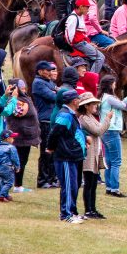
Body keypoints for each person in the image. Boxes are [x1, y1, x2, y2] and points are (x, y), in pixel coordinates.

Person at [99, 76, 127, 198]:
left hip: (105, 131)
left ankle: (109, 187)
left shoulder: (104, 97)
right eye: (114, 84)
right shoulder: (110, 98)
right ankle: (115, 189)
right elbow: (126, 107)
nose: (115, 85)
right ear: (111, 85)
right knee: (116, 161)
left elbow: (120, 104)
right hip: (112, 131)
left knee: (109, 161)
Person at [47, 88, 83, 222]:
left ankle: (72, 212)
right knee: (68, 186)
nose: (80, 101)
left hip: (72, 155)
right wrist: (50, 147)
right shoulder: (65, 115)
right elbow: (54, 133)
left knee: (73, 185)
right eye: (78, 99)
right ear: (74, 101)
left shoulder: (71, 114)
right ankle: (66, 214)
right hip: (65, 156)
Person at [76, 91, 111, 219]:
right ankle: (88, 210)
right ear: (86, 106)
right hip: (89, 154)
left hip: (95, 153)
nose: (96, 106)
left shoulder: (90, 117)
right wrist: (107, 119)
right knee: (89, 183)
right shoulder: (84, 118)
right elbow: (98, 130)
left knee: (93, 184)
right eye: (93, 104)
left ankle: (93, 209)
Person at [6, 79, 39, 193]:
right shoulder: (14, 100)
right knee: (18, 160)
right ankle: (17, 185)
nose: (24, 89)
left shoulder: (24, 98)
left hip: (26, 136)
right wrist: (24, 104)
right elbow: (18, 112)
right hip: (19, 137)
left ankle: (18, 184)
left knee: (22, 161)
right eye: (22, 87)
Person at [31, 61, 58, 188]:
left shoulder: (48, 82)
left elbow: (56, 93)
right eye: (48, 70)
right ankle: (42, 180)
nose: (50, 72)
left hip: (51, 120)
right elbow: (54, 97)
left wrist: (55, 91)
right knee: (46, 151)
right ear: (40, 71)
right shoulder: (38, 83)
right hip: (45, 121)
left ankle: (52, 178)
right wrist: (56, 92)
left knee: (52, 150)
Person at [65, 0, 105, 74]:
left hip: (83, 42)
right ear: (81, 7)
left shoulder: (80, 16)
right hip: (79, 44)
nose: (88, 10)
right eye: (87, 7)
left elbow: (82, 33)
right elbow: (69, 37)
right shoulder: (73, 18)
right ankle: (91, 77)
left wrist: (89, 43)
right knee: (100, 57)